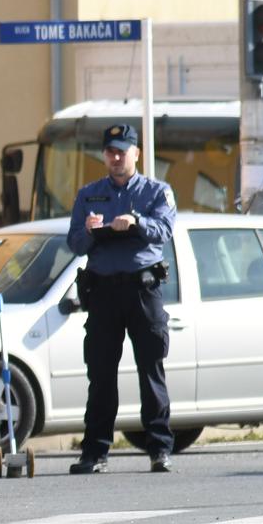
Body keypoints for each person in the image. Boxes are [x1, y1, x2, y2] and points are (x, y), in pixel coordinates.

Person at [65, 123, 178, 474]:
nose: (116, 158)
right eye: (110, 152)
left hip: (142, 290)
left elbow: (164, 230)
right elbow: (74, 243)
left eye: (122, 152)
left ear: (136, 154)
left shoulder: (156, 191)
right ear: (104, 156)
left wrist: (135, 222)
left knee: (151, 370)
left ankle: (159, 448)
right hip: (102, 292)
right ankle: (95, 451)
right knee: (100, 373)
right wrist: (90, 231)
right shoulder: (89, 194)